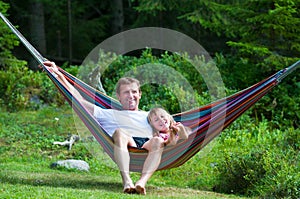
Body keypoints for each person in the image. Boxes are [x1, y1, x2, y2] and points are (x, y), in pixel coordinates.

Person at [42, 61, 166, 195]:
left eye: (134, 92)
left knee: (158, 141)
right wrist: (58, 74)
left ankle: (141, 183)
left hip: (146, 145)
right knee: (119, 132)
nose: (131, 96)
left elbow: (172, 125)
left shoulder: (151, 115)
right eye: (126, 93)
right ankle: (127, 181)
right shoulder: (108, 114)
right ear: (118, 96)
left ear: (140, 94)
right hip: (125, 142)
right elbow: (78, 100)